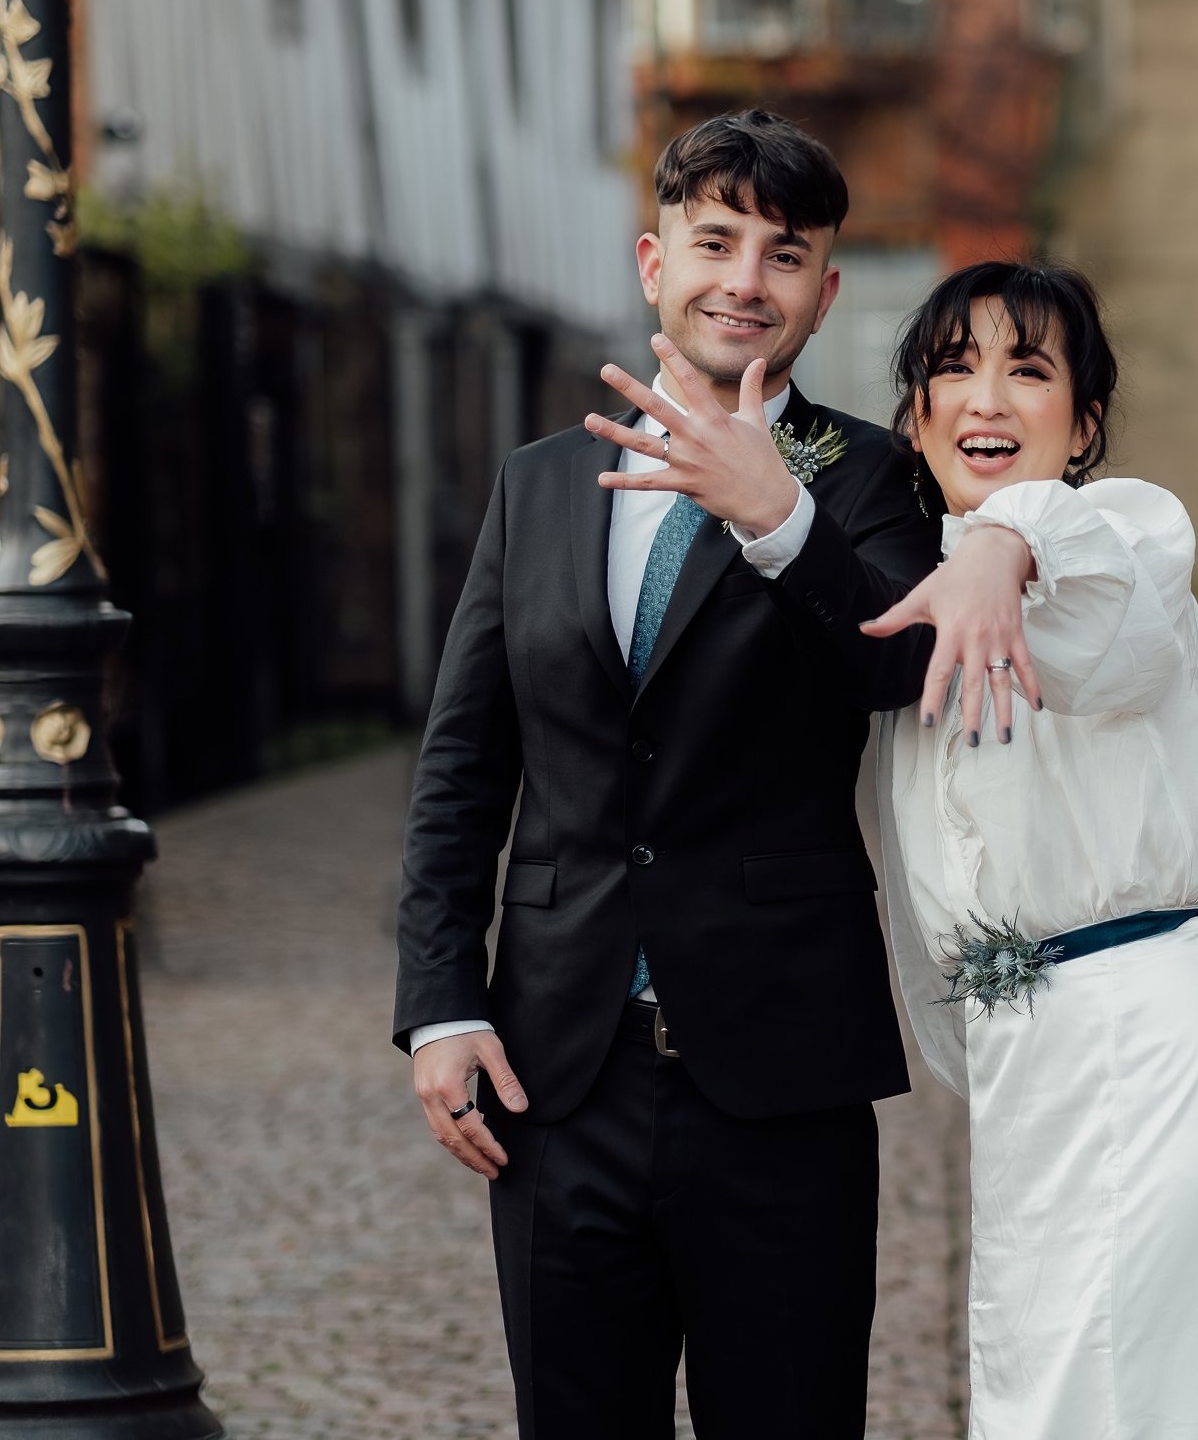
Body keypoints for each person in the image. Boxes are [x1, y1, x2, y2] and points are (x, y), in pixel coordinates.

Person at [392, 110, 946, 1439]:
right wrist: (438, 1002)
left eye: (785, 253)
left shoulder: (866, 476)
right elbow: (466, 759)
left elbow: (894, 668)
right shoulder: (537, 486)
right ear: (654, 262)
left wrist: (776, 516)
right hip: (554, 1070)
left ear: (821, 293)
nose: (744, 279)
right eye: (716, 241)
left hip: (779, 1075)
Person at [860, 260, 1198, 1439]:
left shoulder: (1118, 539)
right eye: (953, 370)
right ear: (913, 419)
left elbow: (1091, 613)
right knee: (1047, 1390)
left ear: (1085, 425)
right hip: (1040, 1069)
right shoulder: (913, 618)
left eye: (1029, 371)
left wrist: (1002, 543)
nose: (987, 400)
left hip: (1152, 1038)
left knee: (1131, 1397)